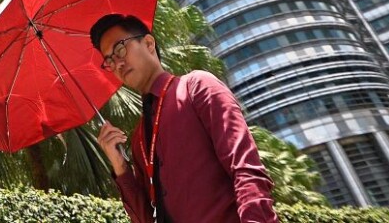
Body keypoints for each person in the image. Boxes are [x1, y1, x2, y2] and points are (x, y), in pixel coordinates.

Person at [92, 14, 278, 223]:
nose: (117, 63)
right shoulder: (139, 139)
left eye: (120, 49)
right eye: (109, 60)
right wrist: (120, 167)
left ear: (149, 43)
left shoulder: (197, 87)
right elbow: (146, 219)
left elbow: (245, 168)